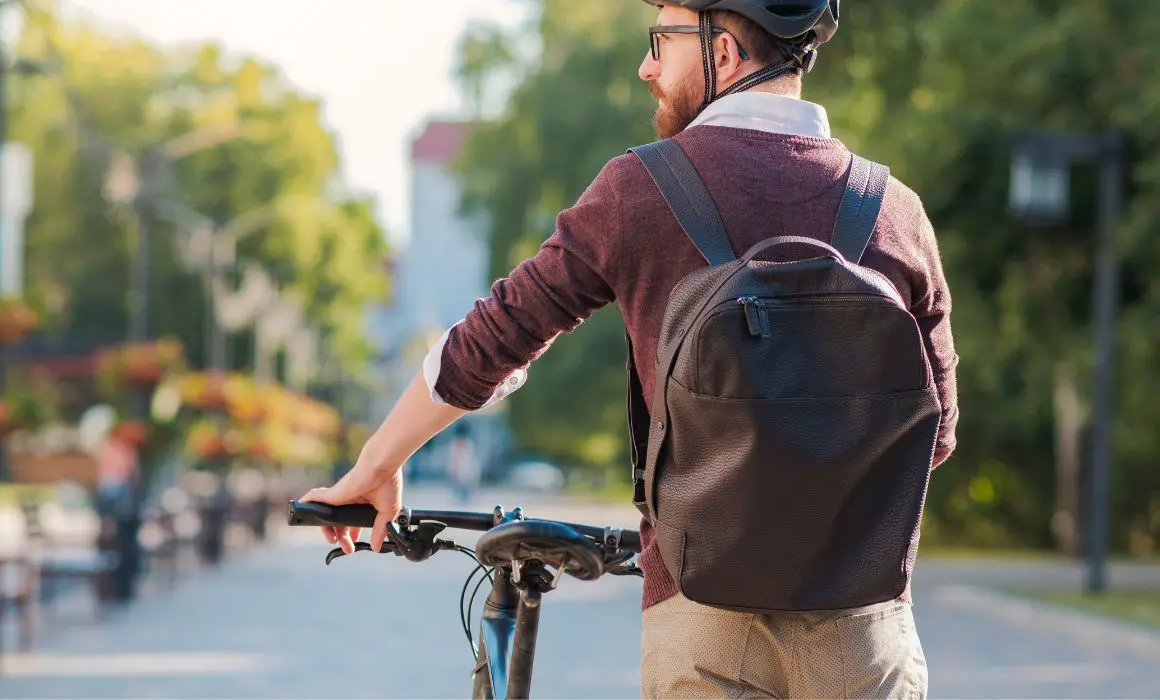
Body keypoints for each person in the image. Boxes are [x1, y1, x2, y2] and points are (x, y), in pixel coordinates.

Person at [302, 1, 957, 697]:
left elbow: (495, 338)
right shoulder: (893, 209)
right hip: (864, 631)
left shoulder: (642, 189)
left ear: (724, 52)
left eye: (662, 40)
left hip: (705, 624)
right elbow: (935, 430)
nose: (647, 66)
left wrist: (377, 464)